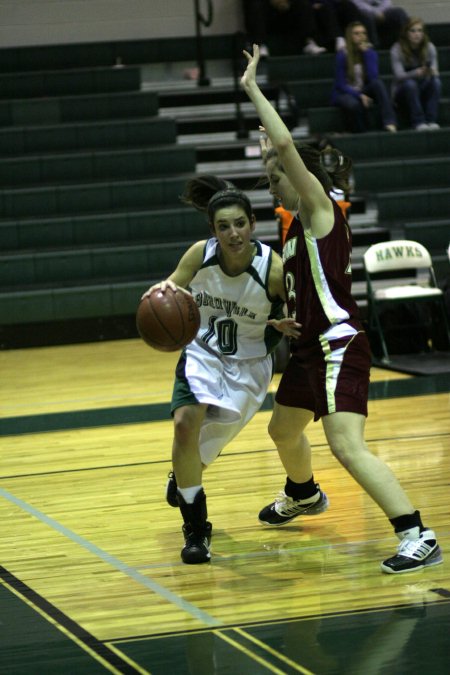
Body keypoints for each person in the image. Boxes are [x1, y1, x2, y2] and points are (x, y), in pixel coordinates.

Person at [240, 44, 443, 574]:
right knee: (283, 432)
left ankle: (416, 533)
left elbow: (284, 143)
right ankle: (304, 496)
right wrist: (279, 317)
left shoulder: (318, 209)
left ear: (300, 173)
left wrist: (253, 90)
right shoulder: (292, 236)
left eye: (276, 173)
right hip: (308, 347)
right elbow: (293, 289)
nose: (271, 180)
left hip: (339, 346)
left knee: (347, 446)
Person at [142, 175, 287, 564]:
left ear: (252, 224)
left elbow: (298, 314)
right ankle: (196, 531)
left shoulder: (272, 269)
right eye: (223, 226)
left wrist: (287, 322)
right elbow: (170, 288)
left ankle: (182, 476)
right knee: (185, 425)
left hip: (250, 365)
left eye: (239, 223)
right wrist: (158, 297)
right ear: (213, 231)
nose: (233, 233)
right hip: (202, 353)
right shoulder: (199, 255)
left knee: (200, 452)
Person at [331, 21, 398, 133]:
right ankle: (361, 132)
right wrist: (360, 95)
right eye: (356, 33)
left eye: (363, 33)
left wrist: (367, 54)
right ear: (350, 36)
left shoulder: (370, 53)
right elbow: (340, 84)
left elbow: (373, 77)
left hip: (362, 89)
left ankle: (389, 122)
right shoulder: (342, 55)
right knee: (353, 104)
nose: (361, 36)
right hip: (344, 93)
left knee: (378, 84)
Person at [390, 18, 441, 131]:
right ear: (406, 33)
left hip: (422, 86)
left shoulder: (430, 47)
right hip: (402, 91)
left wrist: (431, 71)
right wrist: (416, 72)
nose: (417, 34)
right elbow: (399, 76)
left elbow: (435, 70)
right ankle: (419, 122)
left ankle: (431, 120)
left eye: (419, 31)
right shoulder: (397, 49)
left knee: (436, 82)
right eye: (413, 31)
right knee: (410, 84)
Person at [241, 0, 327, 56]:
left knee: (304, 3)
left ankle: (308, 42)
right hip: (268, 12)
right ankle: (260, 45)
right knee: (256, 4)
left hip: (288, 9)